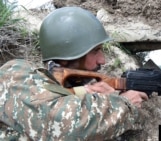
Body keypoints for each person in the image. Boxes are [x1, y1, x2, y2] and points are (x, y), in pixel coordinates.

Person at [0, 7, 148, 140]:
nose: (102, 60)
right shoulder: (15, 75)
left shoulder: (42, 82)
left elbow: (53, 94)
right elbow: (64, 124)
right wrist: (126, 104)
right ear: (66, 59)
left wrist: (86, 92)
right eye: (95, 51)